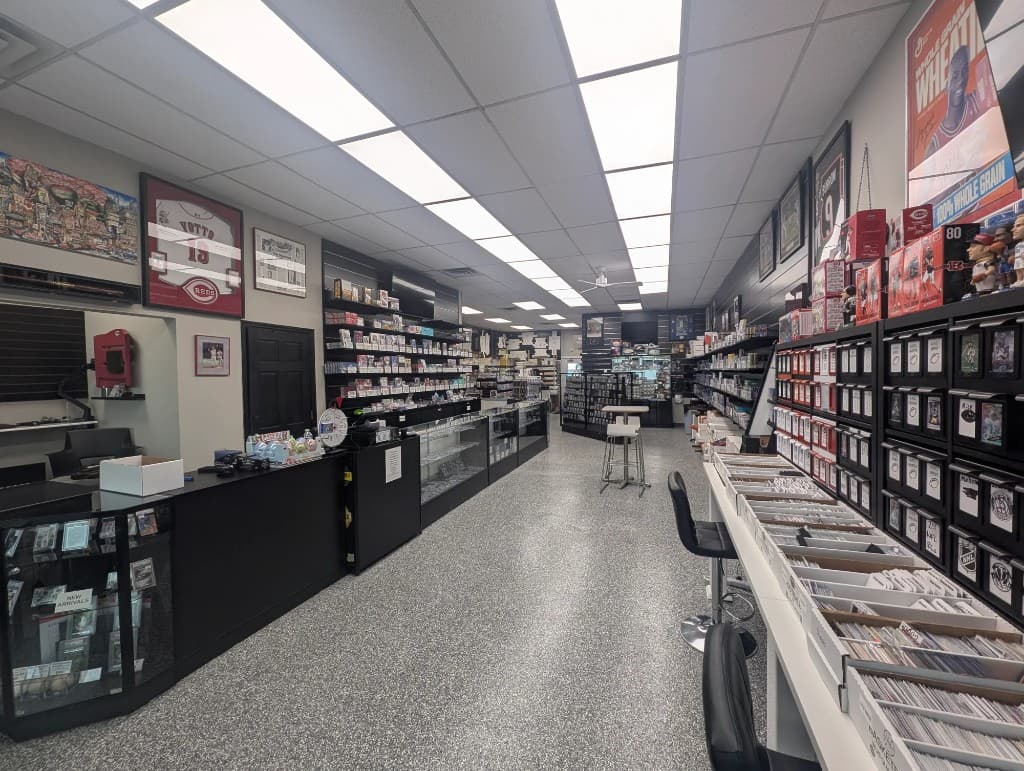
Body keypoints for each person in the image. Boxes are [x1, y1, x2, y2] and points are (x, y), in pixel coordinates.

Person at [926, 46, 983, 158]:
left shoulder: (977, 100)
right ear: (946, 86)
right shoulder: (935, 145)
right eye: (955, 76)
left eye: (965, 71)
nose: (961, 80)